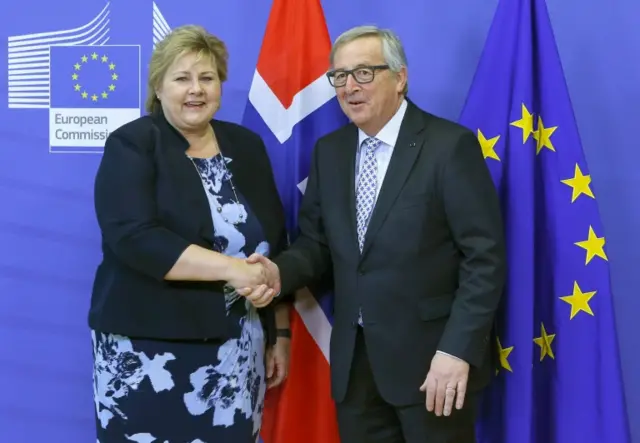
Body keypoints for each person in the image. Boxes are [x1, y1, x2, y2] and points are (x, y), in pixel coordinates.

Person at [243, 25, 506, 443]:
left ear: (400, 78)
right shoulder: (331, 152)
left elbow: (484, 260)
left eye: (364, 73)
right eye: (340, 76)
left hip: (433, 366)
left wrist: (456, 350)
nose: (349, 87)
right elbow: (317, 246)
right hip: (356, 368)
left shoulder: (448, 146)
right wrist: (277, 274)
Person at [88, 25, 291, 443]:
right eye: (182, 78)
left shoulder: (247, 146)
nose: (195, 90)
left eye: (207, 77)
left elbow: (273, 246)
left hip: (237, 353)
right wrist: (232, 269)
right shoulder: (132, 144)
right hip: (147, 352)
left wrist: (280, 334)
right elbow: (135, 237)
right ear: (158, 88)